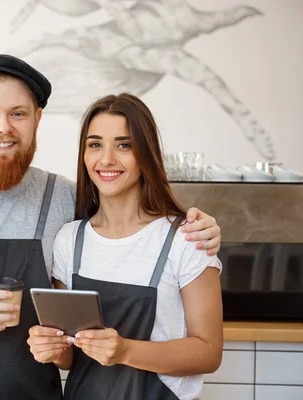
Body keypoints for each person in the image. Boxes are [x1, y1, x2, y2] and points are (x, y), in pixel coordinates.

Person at [0, 55, 222, 400]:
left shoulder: (67, 198)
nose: (3, 127)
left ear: (37, 120)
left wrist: (199, 226)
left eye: (17, 114)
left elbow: (131, 220)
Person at [27, 93, 223, 400]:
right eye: (95, 145)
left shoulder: (185, 239)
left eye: (123, 145)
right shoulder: (69, 240)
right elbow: (70, 356)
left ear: (145, 154)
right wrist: (50, 348)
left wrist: (125, 351)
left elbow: (209, 353)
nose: (106, 159)